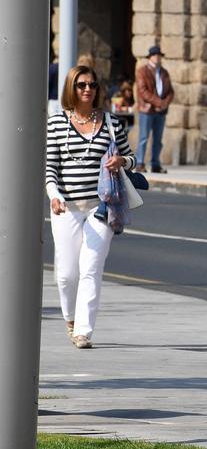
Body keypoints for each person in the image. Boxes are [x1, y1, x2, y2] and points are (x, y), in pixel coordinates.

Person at [45, 65, 136, 349]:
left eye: (92, 85)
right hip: (67, 206)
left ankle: (83, 330)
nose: (87, 90)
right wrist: (53, 194)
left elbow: (132, 159)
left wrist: (122, 161)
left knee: (91, 267)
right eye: (81, 85)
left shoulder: (111, 123)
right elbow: (49, 167)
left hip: (101, 206)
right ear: (71, 89)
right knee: (66, 273)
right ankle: (70, 317)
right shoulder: (57, 123)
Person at [134, 45, 174, 173]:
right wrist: (158, 102)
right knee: (144, 138)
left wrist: (164, 103)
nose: (157, 57)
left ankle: (155, 163)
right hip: (147, 110)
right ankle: (140, 163)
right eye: (155, 55)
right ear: (150, 57)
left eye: (159, 55)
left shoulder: (164, 72)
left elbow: (170, 91)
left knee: (158, 139)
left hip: (160, 111)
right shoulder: (142, 71)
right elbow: (143, 91)